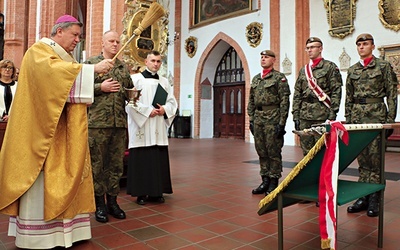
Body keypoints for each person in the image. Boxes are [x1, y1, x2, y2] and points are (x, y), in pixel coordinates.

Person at [0, 15, 114, 249]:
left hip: (61, 129)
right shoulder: (38, 52)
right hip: (42, 132)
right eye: (74, 35)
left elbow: (65, 83)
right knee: (42, 178)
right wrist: (92, 70)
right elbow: (52, 78)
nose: (77, 40)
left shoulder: (63, 57)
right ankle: (40, 236)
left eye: (79, 36)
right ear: (59, 31)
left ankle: (69, 232)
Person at [345, 33, 398, 217]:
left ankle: (375, 197)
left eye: (365, 44)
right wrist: (348, 121)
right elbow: (349, 98)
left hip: (376, 116)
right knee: (362, 159)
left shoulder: (383, 66)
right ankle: (363, 195)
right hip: (358, 117)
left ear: (373, 46)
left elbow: (392, 94)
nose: (361, 47)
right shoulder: (352, 70)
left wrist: (390, 120)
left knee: (375, 160)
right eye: (359, 44)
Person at [85, 30, 133, 223]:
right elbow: (77, 88)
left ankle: (113, 202)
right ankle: (99, 204)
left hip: (119, 123)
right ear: (102, 43)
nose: (115, 44)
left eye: (117, 41)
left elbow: (128, 89)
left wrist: (133, 94)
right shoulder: (91, 64)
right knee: (98, 165)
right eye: (111, 41)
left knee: (115, 165)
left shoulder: (122, 67)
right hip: (97, 123)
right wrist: (100, 88)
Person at [126, 50, 178, 205]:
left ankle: (157, 192)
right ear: (146, 62)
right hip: (142, 126)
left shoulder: (164, 81)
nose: (156, 64)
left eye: (158, 61)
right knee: (142, 158)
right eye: (153, 61)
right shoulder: (136, 79)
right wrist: (148, 111)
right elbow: (129, 102)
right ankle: (140, 193)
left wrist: (164, 110)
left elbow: (172, 102)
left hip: (158, 126)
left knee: (157, 158)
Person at [248, 50, 291, 196]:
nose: (263, 59)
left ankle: (274, 181)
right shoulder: (256, 79)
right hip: (259, 118)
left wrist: (282, 123)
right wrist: (251, 119)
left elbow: (285, 101)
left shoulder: (279, 78)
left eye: (266, 57)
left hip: (273, 118)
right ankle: (264, 180)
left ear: (274, 60)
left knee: (273, 151)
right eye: (261, 57)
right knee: (261, 150)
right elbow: (251, 101)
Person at [292, 37, 343, 156]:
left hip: (322, 115)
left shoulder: (330, 67)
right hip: (305, 115)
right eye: (308, 48)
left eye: (313, 47)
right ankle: (311, 175)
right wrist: (296, 115)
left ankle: (322, 175)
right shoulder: (303, 70)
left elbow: (336, 92)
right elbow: (297, 93)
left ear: (320, 49)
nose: (309, 50)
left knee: (321, 150)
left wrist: (332, 115)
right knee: (307, 151)